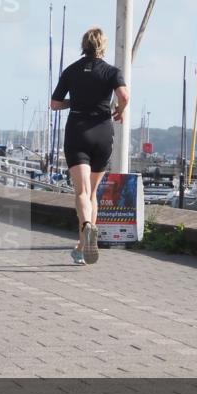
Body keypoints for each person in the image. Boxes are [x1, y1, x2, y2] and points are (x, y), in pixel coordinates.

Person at [50, 27, 129, 265]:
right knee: (93, 193)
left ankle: (86, 227)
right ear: (103, 46)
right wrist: (119, 111)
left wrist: (77, 101)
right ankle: (83, 247)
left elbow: (54, 104)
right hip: (103, 131)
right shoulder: (111, 71)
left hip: (78, 130)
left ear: (83, 45)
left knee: (81, 193)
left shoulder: (71, 70)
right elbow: (124, 96)